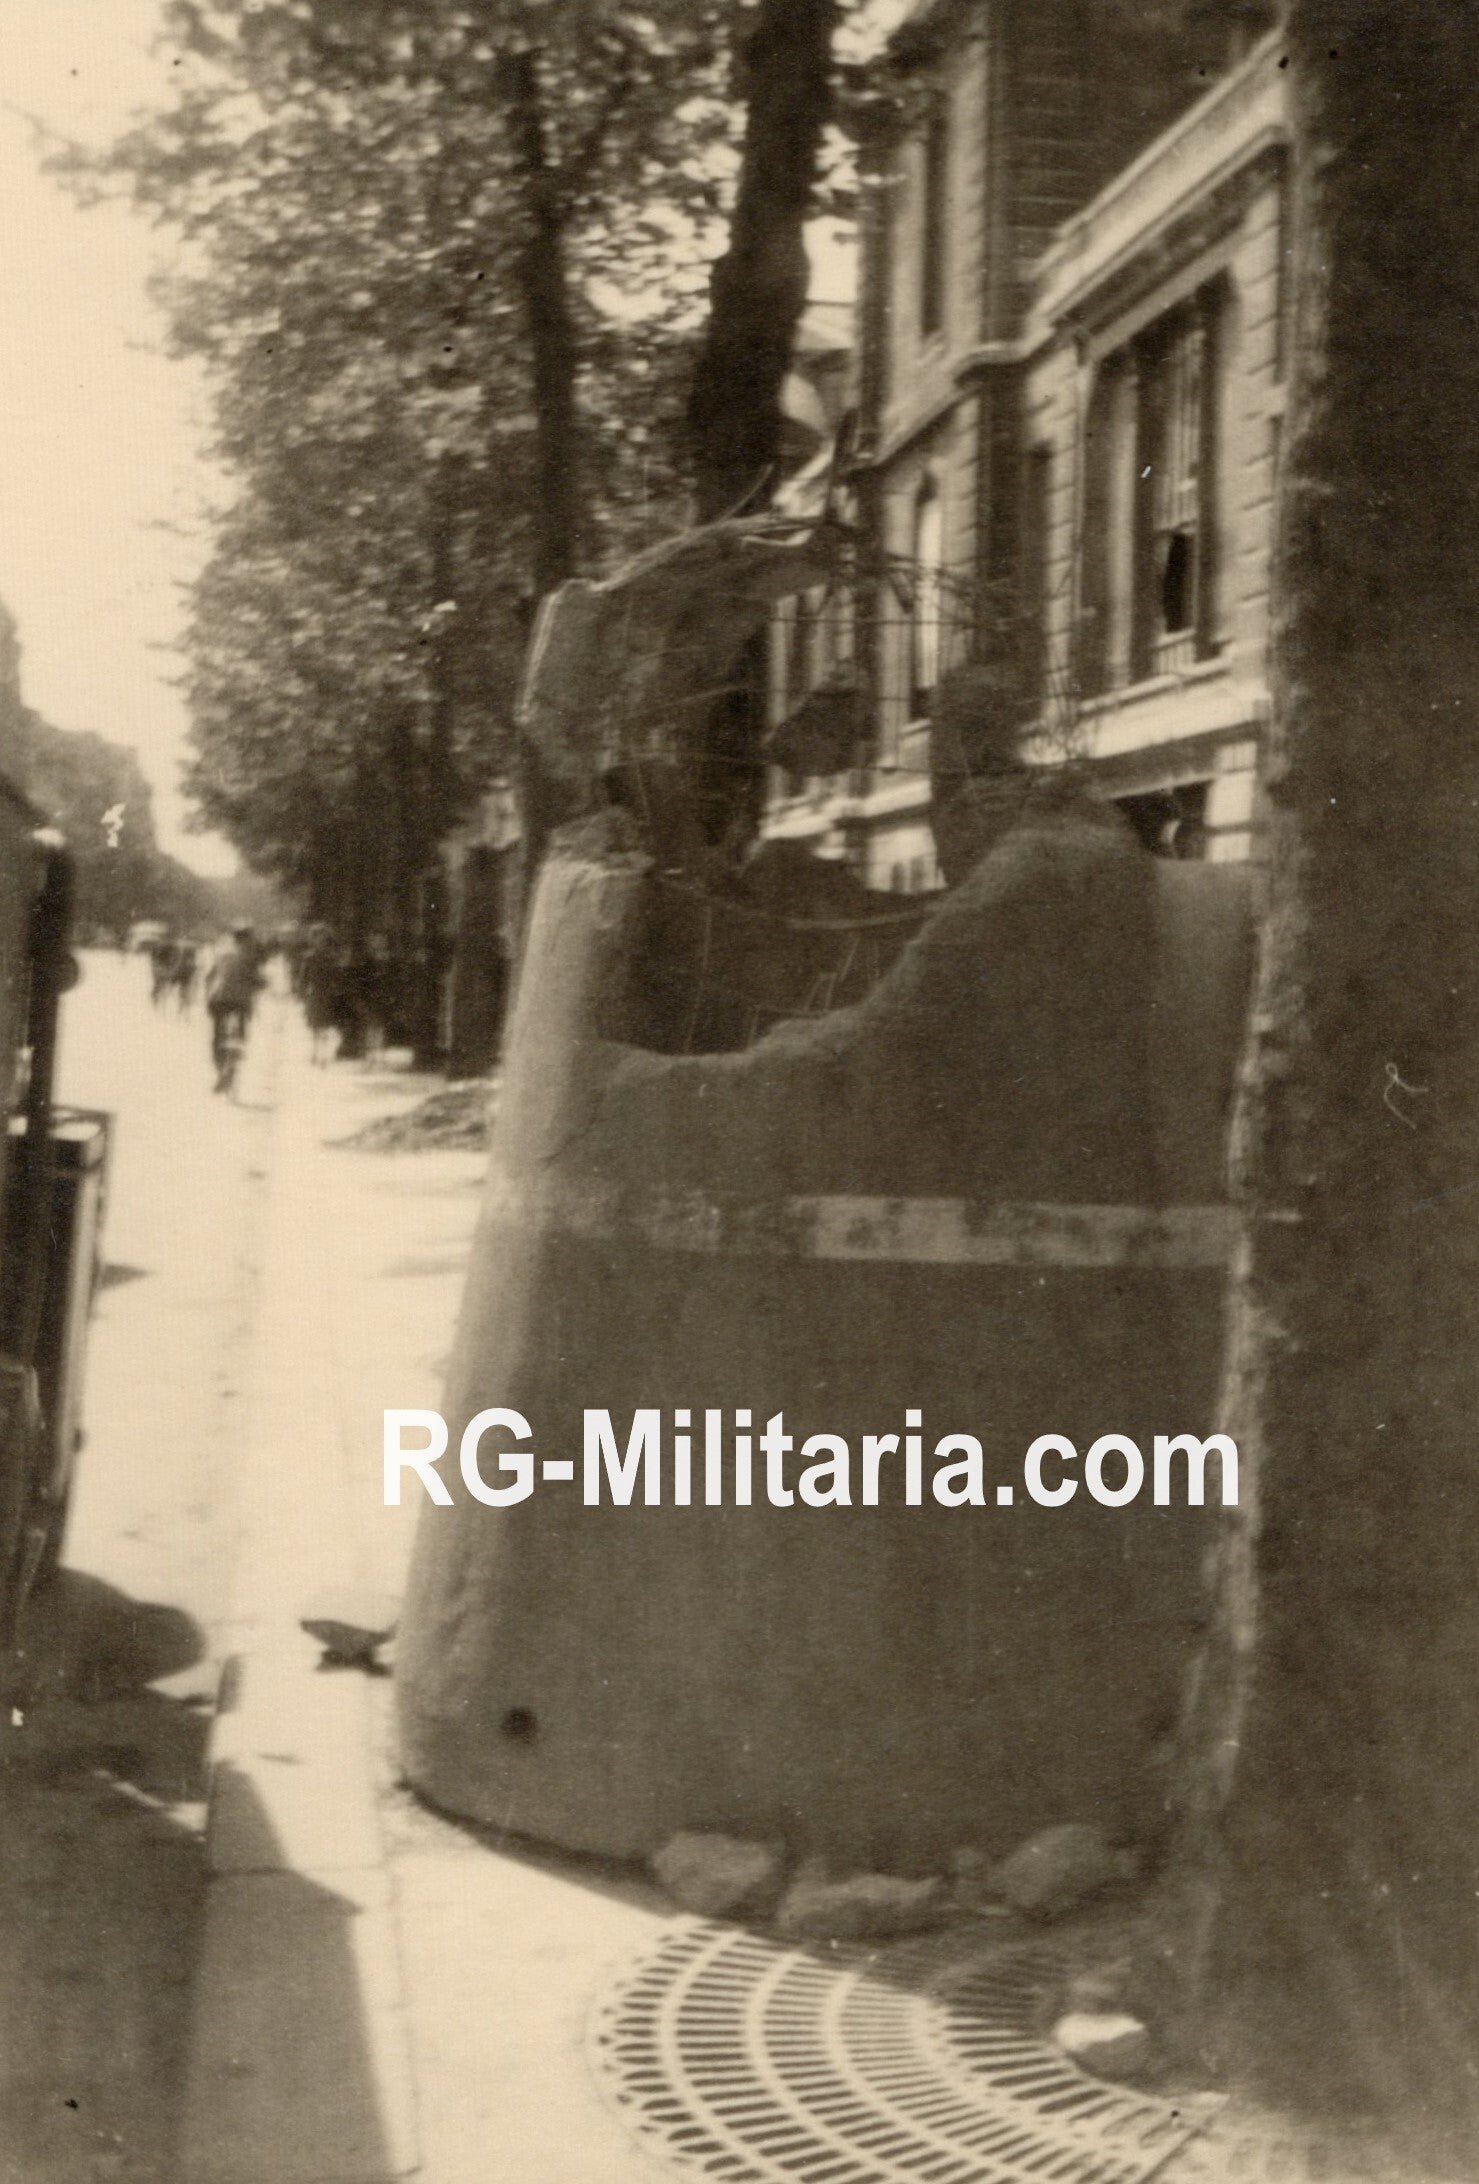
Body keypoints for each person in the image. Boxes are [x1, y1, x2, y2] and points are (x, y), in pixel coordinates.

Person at [205, 925, 265, 1091]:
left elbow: (209, 977)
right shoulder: (250, 958)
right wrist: (262, 984)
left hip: (219, 1001)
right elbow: (258, 980)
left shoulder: (223, 955)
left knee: (217, 1038)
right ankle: (233, 1062)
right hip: (240, 1002)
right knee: (241, 1035)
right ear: (247, 941)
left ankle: (220, 1072)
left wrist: (209, 995)